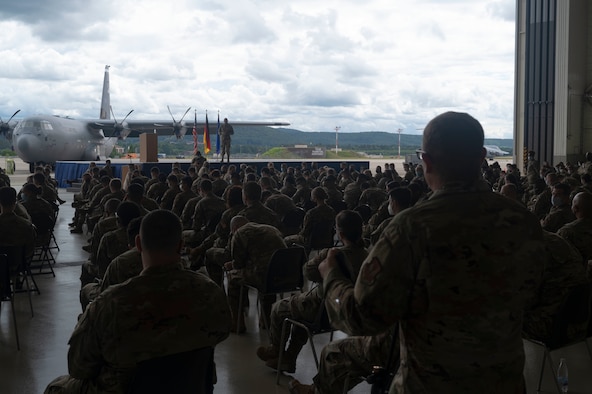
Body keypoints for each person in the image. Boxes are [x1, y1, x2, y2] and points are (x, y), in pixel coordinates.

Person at [308, 112, 545, 393]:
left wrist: (331, 277)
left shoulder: (411, 227)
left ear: (426, 162)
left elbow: (363, 317)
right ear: (482, 157)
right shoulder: (523, 221)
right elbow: (534, 295)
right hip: (504, 382)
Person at [45, 210, 232, 394]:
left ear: (138, 244)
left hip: (122, 388)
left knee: (56, 387)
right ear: (180, 245)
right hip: (191, 386)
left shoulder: (110, 303)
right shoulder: (209, 291)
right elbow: (222, 332)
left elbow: (79, 367)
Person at [257, 210, 368, 374]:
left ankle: (275, 349)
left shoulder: (332, 254)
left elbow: (308, 271)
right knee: (299, 314)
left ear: (340, 232)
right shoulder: (368, 255)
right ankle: (288, 359)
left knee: (279, 308)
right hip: (344, 313)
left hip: (321, 308)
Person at [224, 216, 286, 333]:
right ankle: (265, 319)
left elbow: (238, 265)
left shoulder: (239, 234)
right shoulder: (270, 228)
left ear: (235, 228)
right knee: (267, 274)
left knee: (232, 277)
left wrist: (231, 265)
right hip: (284, 275)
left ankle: (238, 323)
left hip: (263, 277)